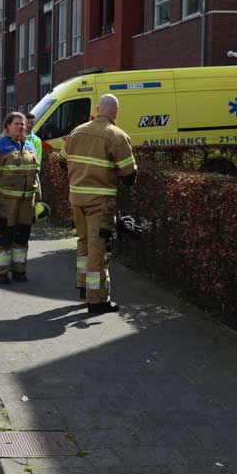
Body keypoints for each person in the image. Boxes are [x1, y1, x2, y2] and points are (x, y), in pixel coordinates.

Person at [63, 94, 137, 314]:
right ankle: (97, 301)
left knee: (83, 243)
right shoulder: (116, 136)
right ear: (116, 111)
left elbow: (61, 162)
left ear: (97, 109)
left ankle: (83, 286)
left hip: (76, 198)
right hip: (100, 203)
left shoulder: (77, 131)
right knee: (98, 249)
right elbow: (129, 176)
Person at [0, 112, 40, 284]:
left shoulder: (29, 147)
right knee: (4, 237)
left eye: (23, 124)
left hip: (26, 202)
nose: (21, 127)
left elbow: (36, 174)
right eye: (17, 124)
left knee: (22, 237)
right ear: (7, 125)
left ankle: (19, 270)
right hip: (6, 202)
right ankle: (0, 272)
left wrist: (39, 199)